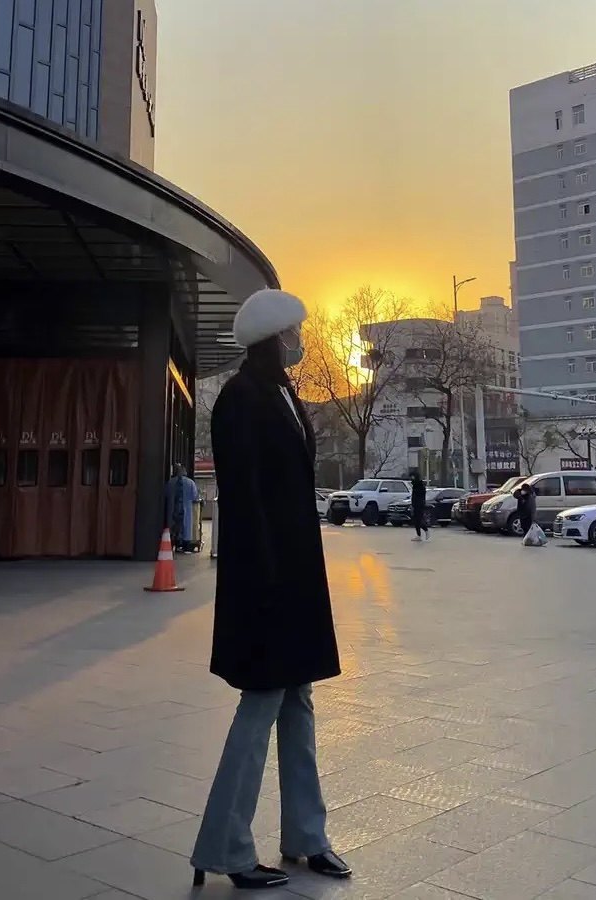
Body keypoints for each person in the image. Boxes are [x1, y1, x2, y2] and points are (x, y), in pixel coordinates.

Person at [191, 289, 350, 891]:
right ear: (273, 338)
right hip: (266, 580)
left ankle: (307, 836)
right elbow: (245, 498)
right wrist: (265, 582)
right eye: (293, 332)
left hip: (297, 575)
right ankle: (225, 845)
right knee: (259, 706)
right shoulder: (240, 398)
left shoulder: (285, 393)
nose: (300, 341)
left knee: (298, 703)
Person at [164, 463, 199, 552]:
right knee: (186, 526)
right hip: (186, 509)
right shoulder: (190, 483)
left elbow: (166, 494)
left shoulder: (170, 482)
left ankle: (174, 542)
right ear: (184, 472)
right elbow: (195, 496)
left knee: (173, 525)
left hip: (173, 510)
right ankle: (185, 545)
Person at [410, 470, 430, 542]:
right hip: (415, 505)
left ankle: (426, 531)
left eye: (412, 476)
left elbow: (419, 496)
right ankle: (418, 535)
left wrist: (418, 503)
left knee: (419, 520)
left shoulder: (420, 485)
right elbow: (413, 496)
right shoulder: (415, 485)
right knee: (416, 521)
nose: (411, 478)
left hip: (419, 505)